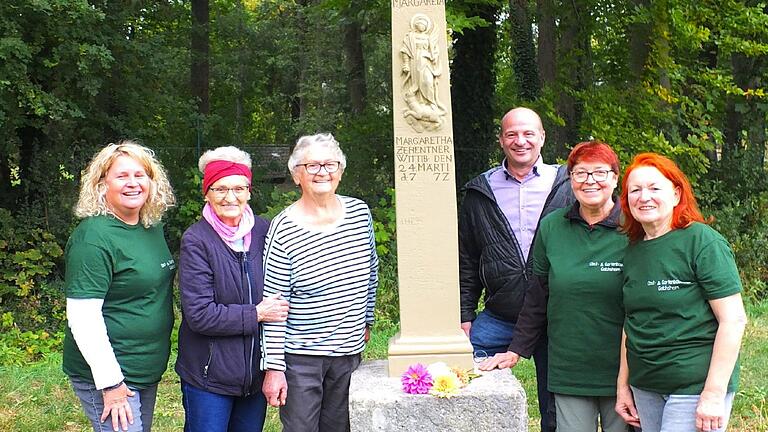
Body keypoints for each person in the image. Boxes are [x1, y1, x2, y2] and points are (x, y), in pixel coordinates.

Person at [480, 141, 629, 432]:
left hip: (625, 368)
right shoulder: (552, 226)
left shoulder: (634, 226)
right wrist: (517, 349)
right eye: (581, 173)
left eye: (600, 173)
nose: (590, 181)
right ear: (570, 180)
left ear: (614, 178)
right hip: (569, 366)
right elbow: (538, 294)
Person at [614, 153, 747, 432]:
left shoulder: (702, 241)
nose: (644, 196)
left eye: (654, 188)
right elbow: (632, 321)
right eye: (635, 190)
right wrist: (623, 385)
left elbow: (733, 320)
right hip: (646, 385)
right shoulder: (633, 251)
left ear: (676, 194)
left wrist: (712, 394)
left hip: (694, 386)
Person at [459, 107, 573, 432]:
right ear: (501, 140)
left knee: (557, 408)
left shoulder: (567, 185)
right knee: (458, 372)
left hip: (555, 317)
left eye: (528, 133)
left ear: (542, 138)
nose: (520, 141)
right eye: (511, 134)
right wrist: (465, 315)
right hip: (500, 316)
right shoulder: (480, 192)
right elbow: (468, 258)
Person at [261, 133, 379, 432]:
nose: (322, 172)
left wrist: (366, 319)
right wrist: (274, 368)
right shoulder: (284, 228)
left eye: (330, 164)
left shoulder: (359, 213)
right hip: (301, 358)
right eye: (312, 165)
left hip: (348, 353)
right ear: (296, 174)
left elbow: (371, 271)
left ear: (340, 171)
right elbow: (274, 305)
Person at [63, 140, 176, 432]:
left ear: (152, 182)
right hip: (112, 375)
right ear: (102, 184)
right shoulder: (93, 237)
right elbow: (83, 317)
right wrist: (111, 383)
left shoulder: (151, 228)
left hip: (145, 367)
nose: (133, 183)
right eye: (122, 176)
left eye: (140, 175)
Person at [175, 146, 290, 432]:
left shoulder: (266, 231)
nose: (230, 197)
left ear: (249, 191)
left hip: (253, 374)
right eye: (220, 189)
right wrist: (257, 314)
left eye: (239, 188)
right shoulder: (197, 240)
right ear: (207, 193)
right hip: (208, 376)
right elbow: (200, 314)